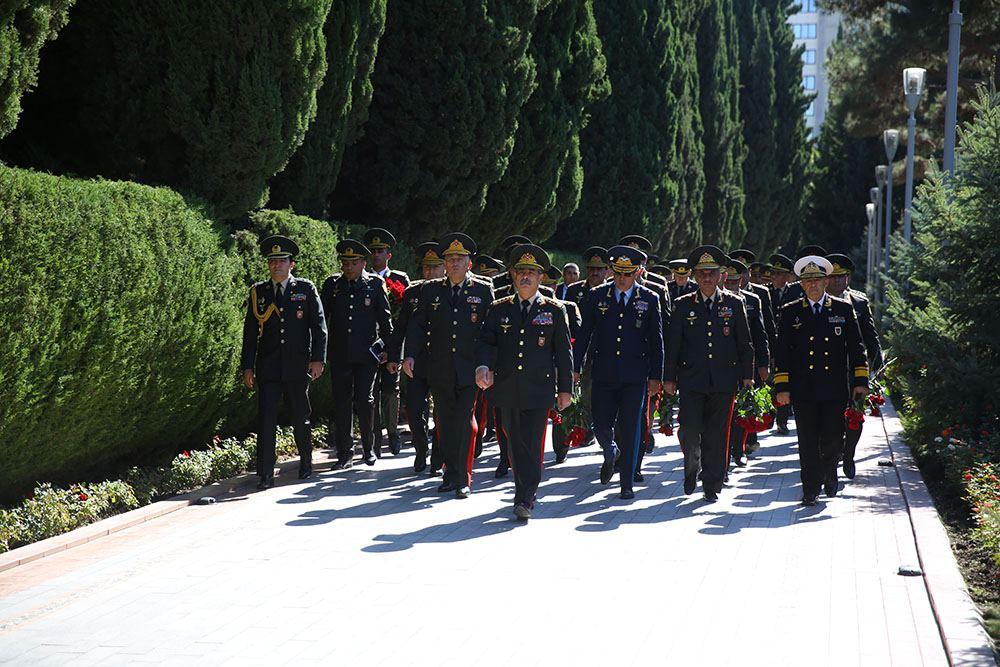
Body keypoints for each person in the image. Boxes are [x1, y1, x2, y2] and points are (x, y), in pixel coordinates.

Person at [476, 245, 574, 520]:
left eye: (531, 272)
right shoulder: (499, 309)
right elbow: (487, 342)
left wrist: (565, 389)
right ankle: (523, 490)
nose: (526, 277)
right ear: (512, 275)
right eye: (521, 272)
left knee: (532, 442)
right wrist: (483, 366)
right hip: (507, 387)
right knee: (513, 442)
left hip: (538, 388)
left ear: (541, 277)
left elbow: (563, 352)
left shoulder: (554, 309)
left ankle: (526, 497)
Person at [403, 233, 494, 498]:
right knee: (444, 421)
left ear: (469, 263)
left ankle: (463, 478)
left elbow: (490, 331)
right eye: (450, 258)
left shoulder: (482, 289)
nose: (454, 263)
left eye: (460, 258)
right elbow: (418, 325)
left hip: (470, 370)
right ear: (444, 263)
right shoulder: (431, 290)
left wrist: (488, 364)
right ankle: (450, 473)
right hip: (440, 367)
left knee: (464, 421)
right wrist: (409, 355)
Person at [773, 255, 869, 506]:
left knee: (833, 439)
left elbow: (857, 348)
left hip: (834, 387)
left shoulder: (842, 309)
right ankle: (810, 489)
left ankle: (830, 472)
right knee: (807, 441)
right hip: (804, 389)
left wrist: (860, 381)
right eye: (807, 281)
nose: (813, 285)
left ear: (826, 281)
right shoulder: (790, 312)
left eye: (817, 280)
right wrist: (782, 387)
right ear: (801, 285)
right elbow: (781, 353)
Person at [664, 245, 754, 503]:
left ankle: (712, 483)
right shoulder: (682, 306)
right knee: (690, 430)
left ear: (721, 275)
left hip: (724, 380)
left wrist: (747, 375)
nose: (706, 278)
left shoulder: (734, 304)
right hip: (691, 380)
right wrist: (669, 378)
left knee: (717, 433)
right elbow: (673, 345)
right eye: (701, 273)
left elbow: (744, 343)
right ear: (694, 276)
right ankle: (692, 464)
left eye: (711, 273)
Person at [574, 245, 663, 500]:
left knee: (631, 427)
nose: (622, 279)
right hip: (603, 373)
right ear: (612, 271)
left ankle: (626, 483)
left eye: (628, 273)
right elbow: (584, 335)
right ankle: (610, 450)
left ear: (637, 272)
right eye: (618, 273)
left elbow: (656, 341)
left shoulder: (649, 298)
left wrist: (656, 376)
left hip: (635, 375)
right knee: (601, 423)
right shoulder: (597, 296)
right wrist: (575, 368)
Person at [241, 235, 327, 489]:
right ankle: (265, 473)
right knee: (266, 420)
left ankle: (306, 462)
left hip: (297, 365)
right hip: (268, 367)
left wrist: (317, 360)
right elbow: (249, 333)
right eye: (272, 262)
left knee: (300, 416)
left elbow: (319, 327)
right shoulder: (259, 292)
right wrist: (247, 366)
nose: (276, 266)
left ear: (292, 264)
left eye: (281, 261)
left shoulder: (305, 288)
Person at [320, 239, 393, 468]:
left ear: (363, 263)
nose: (348, 267)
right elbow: (321, 321)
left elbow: (386, 321)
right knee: (342, 403)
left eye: (353, 263)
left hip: (366, 355)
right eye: (345, 263)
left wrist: (389, 352)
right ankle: (345, 453)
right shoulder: (333, 285)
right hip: (340, 353)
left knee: (365, 400)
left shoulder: (374, 284)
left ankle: (369, 449)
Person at [826, 253, 883, 479]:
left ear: (847, 279)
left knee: (854, 415)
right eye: (834, 277)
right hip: (828, 371)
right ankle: (834, 452)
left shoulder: (858, 302)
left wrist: (875, 370)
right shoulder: (819, 301)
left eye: (842, 277)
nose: (838, 282)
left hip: (855, 371)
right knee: (831, 417)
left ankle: (848, 456)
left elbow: (871, 337)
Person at [391, 241, 446, 473]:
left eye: (434, 267)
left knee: (442, 412)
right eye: (426, 267)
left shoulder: (449, 291)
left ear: (444, 268)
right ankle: (421, 449)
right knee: (414, 409)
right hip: (417, 360)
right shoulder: (413, 292)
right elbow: (401, 326)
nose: (429, 272)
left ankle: (437, 457)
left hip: (442, 361)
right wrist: (395, 356)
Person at [364, 228, 410, 457]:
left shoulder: (400, 279)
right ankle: (374, 438)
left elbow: (404, 316)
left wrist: (393, 349)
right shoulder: (365, 280)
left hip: (392, 344)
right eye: (373, 251)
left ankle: (393, 434)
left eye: (380, 251)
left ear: (389, 254)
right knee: (371, 392)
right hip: (370, 345)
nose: (376, 255)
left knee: (392, 390)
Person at [722, 259, 769, 468]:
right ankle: (722, 451)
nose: (731, 286)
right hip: (722, 363)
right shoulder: (719, 301)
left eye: (734, 282)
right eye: (728, 282)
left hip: (745, 363)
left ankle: (739, 450)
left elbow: (760, 334)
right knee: (724, 413)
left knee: (741, 410)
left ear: (740, 281)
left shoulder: (752, 300)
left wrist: (764, 363)